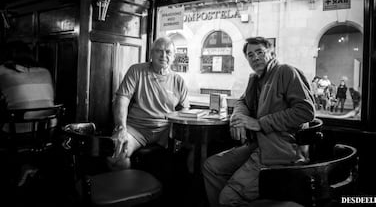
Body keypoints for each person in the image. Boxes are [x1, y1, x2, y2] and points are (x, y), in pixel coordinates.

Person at [202, 37, 315, 206]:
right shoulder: (255, 80)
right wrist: (237, 118)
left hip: (280, 150)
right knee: (212, 166)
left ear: (272, 53)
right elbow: (242, 103)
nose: (255, 57)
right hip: (257, 144)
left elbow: (305, 111)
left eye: (260, 52)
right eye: (250, 55)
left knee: (228, 198)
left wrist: (260, 123)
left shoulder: (285, 72)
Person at [108, 36, 189, 170]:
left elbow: (184, 110)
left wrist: (179, 134)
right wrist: (121, 128)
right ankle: (129, 189)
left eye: (168, 52)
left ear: (173, 56)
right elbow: (122, 99)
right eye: (159, 51)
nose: (163, 55)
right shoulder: (136, 70)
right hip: (136, 129)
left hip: (165, 130)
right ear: (151, 54)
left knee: (189, 153)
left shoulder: (178, 81)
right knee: (115, 157)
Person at [0, 41, 55, 186]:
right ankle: (29, 166)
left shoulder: (2, 70)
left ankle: (17, 169)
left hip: (17, 136)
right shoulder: (45, 72)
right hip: (47, 132)